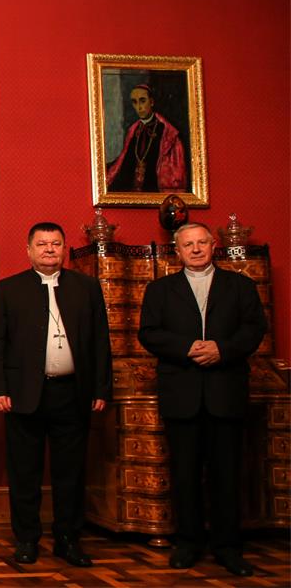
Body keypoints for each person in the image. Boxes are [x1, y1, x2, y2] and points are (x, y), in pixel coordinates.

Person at [138, 223, 266, 577]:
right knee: (185, 474)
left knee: (227, 474)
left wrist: (222, 349)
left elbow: (254, 329)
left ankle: (228, 547)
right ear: (177, 250)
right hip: (182, 394)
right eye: (188, 244)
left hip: (226, 392)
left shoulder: (240, 286)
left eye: (201, 243)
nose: (195, 249)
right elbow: (148, 333)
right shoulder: (160, 289)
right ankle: (188, 543)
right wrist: (187, 347)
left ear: (213, 246)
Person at [0, 222, 111, 567]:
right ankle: (26, 539)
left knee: (70, 472)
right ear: (29, 250)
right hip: (23, 394)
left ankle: (68, 539)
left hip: (72, 393)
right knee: (24, 472)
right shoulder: (9, 289)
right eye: (42, 244)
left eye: (55, 243)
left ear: (64, 248)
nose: (49, 249)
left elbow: (100, 341)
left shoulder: (86, 287)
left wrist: (101, 388)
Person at [106, 84, 187, 192]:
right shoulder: (133, 130)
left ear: (151, 102)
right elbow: (123, 160)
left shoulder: (168, 132)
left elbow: (176, 171)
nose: (139, 107)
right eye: (135, 102)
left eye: (142, 101)